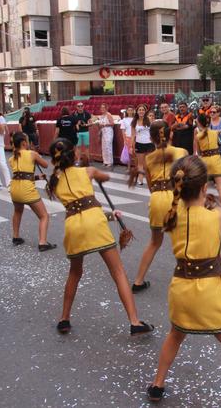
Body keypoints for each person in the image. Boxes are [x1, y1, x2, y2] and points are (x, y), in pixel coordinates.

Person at [147, 156, 221, 406]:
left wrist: (217, 254)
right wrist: (209, 203)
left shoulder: (172, 213)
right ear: (204, 187)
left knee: (176, 334)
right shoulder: (214, 216)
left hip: (181, 290)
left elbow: (194, 243)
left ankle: (157, 384)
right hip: (207, 295)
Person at [47, 138, 154, 336]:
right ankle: (134, 321)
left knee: (74, 273)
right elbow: (104, 177)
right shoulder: (87, 171)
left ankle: (64, 318)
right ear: (74, 153)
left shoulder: (54, 181)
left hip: (73, 226)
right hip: (95, 223)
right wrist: (89, 168)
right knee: (118, 272)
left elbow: (79, 206)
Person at [131, 121, 188, 293]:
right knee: (183, 241)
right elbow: (188, 177)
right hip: (175, 197)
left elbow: (150, 186)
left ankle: (138, 281)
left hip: (156, 198)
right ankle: (187, 281)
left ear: (151, 138)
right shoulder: (181, 152)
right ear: (170, 134)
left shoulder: (148, 158)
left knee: (155, 242)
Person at [9, 132, 55, 251]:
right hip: (27, 189)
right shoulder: (32, 154)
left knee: (18, 211)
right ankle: (42, 242)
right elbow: (45, 165)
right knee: (44, 216)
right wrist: (37, 155)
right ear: (24, 143)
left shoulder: (11, 158)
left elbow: (20, 174)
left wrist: (37, 177)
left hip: (15, 188)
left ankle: (16, 236)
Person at [194, 113, 221, 209]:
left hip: (205, 161)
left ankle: (202, 207)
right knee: (220, 187)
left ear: (199, 123)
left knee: (204, 187)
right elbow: (220, 144)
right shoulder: (215, 133)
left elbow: (199, 151)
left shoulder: (198, 136)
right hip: (216, 159)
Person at [131, 103, 154, 185]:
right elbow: (133, 135)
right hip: (139, 144)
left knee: (149, 163)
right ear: (137, 111)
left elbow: (152, 131)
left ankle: (151, 178)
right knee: (140, 163)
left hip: (149, 144)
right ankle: (140, 180)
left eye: (143, 110)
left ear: (145, 111)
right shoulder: (134, 121)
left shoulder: (149, 120)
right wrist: (131, 146)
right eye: (139, 110)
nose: (141, 111)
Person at [97, 103, 115, 169]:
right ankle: (105, 161)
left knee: (108, 146)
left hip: (108, 131)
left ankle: (110, 162)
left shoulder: (108, 114)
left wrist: (105, 125)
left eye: (103, 108)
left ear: (106, 108)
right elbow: (100, 124)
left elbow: (112, 123)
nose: (102, 109)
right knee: (104, 147)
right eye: (101, 108)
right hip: (103, 132)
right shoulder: (102, 116)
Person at [120, 106, 135, 173]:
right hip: (128, 137)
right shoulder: (124, 120)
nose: (130, 111)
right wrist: (124, 140)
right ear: (127, 111)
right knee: (128, 154)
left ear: (133, 111)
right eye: (129, 110)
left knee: (135, 153)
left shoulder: (135, 119)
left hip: (135, 138)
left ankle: (136, 167)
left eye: (131, 110)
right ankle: (128, 167)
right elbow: (123, 130)